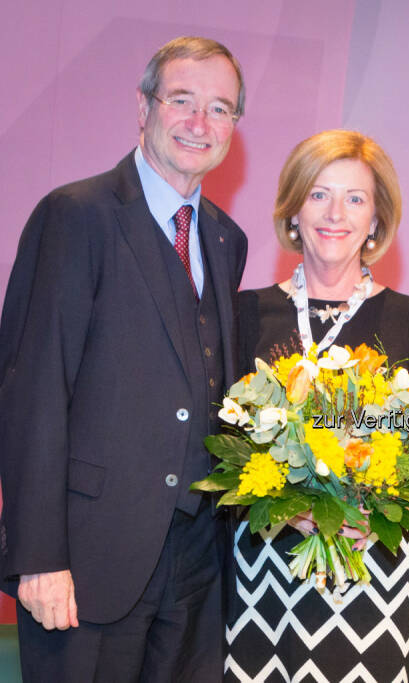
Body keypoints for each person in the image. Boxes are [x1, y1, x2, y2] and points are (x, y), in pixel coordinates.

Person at [0, 36, 247, 681]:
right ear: (143, 109)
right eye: (183, 100)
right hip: (85, 561)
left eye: (220, 109)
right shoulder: (75, 216)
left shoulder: (225, 238)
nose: (201, 122)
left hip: (195, 566)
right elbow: (32, 391)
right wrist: (37, 556)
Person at [224, 129, 409, 682]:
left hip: (376, 572)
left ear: (375, 220)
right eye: (319, 194)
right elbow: (219, 442)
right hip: (264, 572)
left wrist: (379, 505)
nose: (335, 213)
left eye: (355, 198)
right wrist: (287, 504)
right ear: (294, 209)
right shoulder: (245, 312)